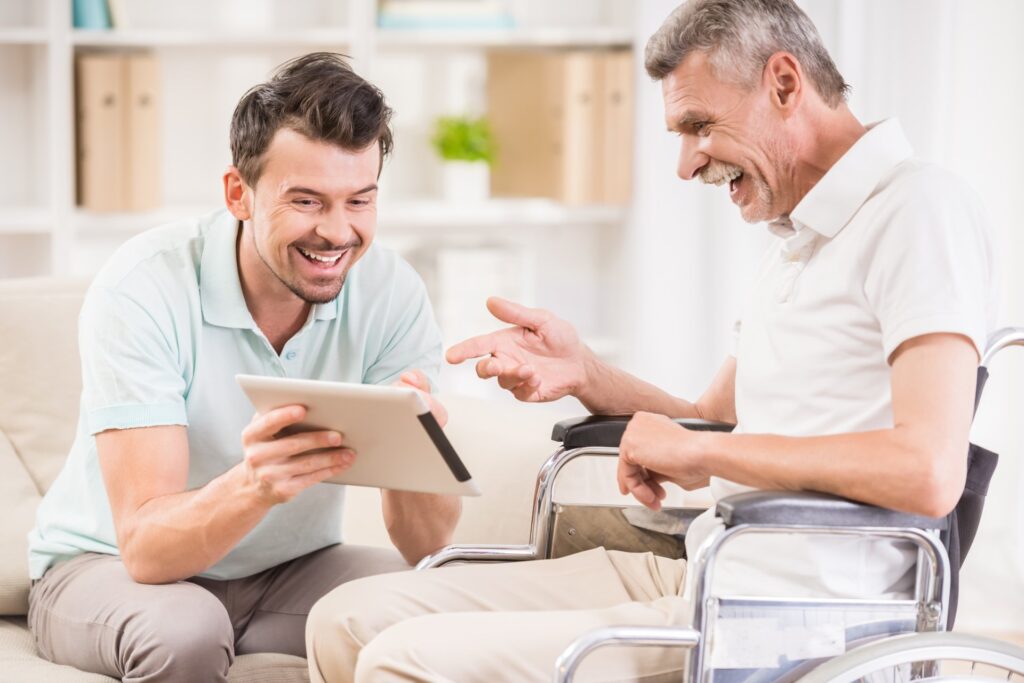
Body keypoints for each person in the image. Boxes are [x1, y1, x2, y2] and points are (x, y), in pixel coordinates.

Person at [304, 1, 998, 681]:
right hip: (707, 569)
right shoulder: (796, 238)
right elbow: (713, 414)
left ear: (784, 83)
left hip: (789, 612)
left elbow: (929, 469)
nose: (686, 164)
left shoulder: (917, 211)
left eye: (698, 126)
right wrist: (586, 373)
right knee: (345, 619)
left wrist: (700, 450)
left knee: (401, 660)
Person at [26, 52, 461, 682]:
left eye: (359, 201)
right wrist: (254, 485)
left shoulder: (390, 291)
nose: (337, 233)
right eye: (307, 201)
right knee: (185, 631)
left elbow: (428, 549)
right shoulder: (143, 286)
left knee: (440, 605)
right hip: (104, 568)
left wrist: (420, 452)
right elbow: (146, 549)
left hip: (287, 573)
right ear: (239, 193)